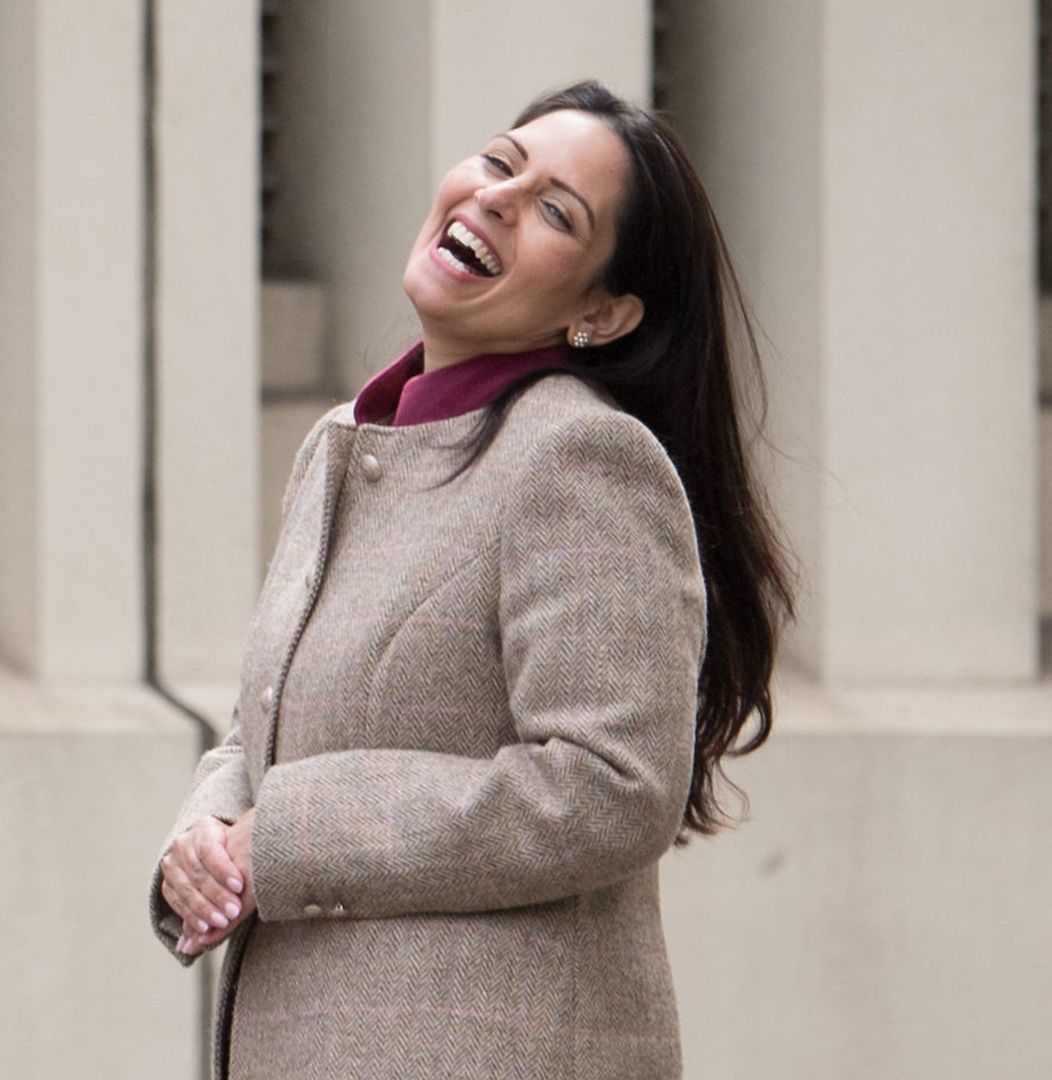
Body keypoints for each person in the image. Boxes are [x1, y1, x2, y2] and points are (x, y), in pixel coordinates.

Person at [150, 79, 793, 1080]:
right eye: (501, 162)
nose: (498, 197)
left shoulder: (579, 460)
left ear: (602, 310)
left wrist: (289, 835)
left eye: (554, 212)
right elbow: (266, 726)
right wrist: (202, 838)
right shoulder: (342, 445)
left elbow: (608, 783)